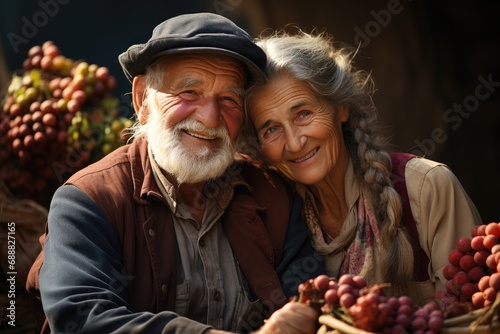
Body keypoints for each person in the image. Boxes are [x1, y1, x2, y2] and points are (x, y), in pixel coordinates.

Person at [25, 13, 322, 334]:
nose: (210, 119)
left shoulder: (270, 192)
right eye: (189, 92)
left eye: (228, 99)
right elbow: (81, 320)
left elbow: (308, 296)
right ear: (142, 100)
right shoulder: (88, 202)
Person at [244, 29, 483, 305]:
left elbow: (473, 316)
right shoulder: (274, 219)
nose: (295, 143)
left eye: (304, 114)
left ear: (341, 108)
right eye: (271, 129)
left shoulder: (426, 187)